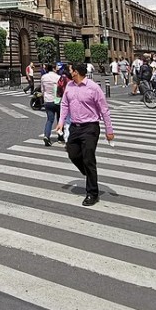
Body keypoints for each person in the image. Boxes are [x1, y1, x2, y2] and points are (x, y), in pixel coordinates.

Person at [55, 62, 114, 207]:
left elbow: (104, 109)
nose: (68, 72)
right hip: (75, 126)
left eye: (70, 70)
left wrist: (109, 130)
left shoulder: (93, 87)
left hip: (90, 127)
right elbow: (64, 104)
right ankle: (86, 171)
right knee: (72, 153)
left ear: (75, 72)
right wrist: (61, 121)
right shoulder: (69, 86)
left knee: (89, 159)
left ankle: (92, 193)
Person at [41, 63, 61, 146]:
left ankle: (46, 136)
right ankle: (61, 136)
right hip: (57, 100)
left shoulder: (43, 77)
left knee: (49, 120)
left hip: (48, 100)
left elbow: (42, 90)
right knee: (60, 119)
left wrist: (44, 98)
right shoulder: (58, 77)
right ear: (53, 69)